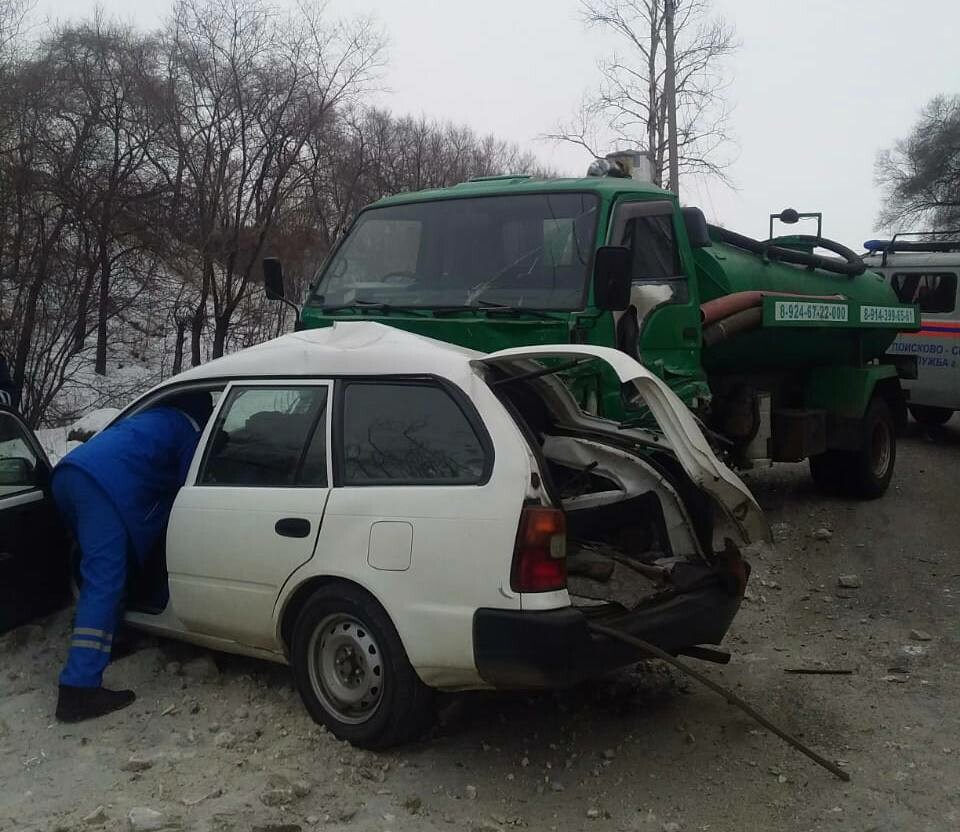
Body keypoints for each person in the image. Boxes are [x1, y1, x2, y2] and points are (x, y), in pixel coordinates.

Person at [52, 390, 213, 723]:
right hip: (102, 488)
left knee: (106, 566)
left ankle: (109, 641)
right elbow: (189, 490)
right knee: (105, 579)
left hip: (69, 474)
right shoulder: (189, 432)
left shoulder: (151, 418)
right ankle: (78, 690)